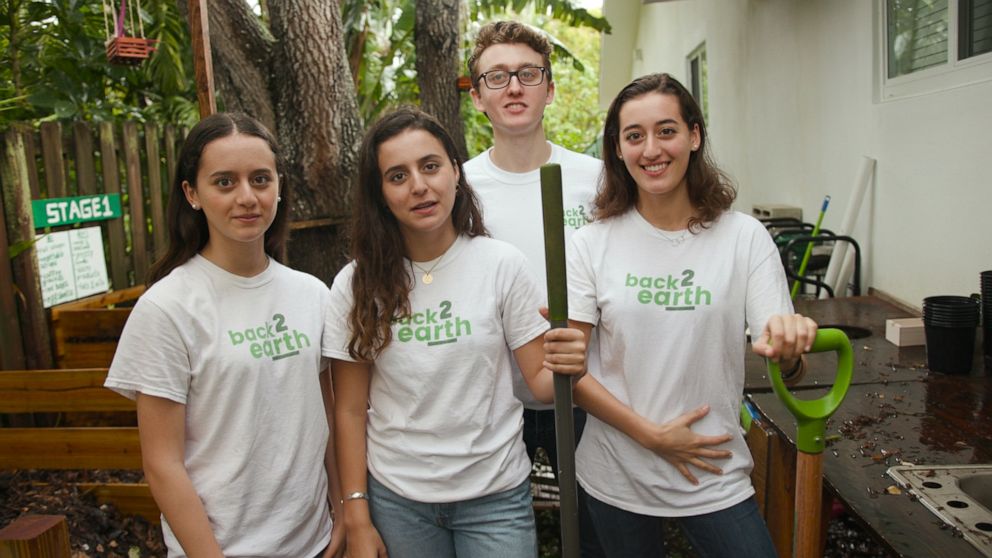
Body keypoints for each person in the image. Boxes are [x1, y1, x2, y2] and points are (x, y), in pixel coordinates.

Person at [565, 73, 818, 558]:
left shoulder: (743, 237)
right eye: (634, 136)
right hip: (616, 471)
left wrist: (789, 352)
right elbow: (570, 371)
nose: (651, 149)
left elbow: (788, 363)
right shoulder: (591, 244)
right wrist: (654, 437)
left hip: (714, 467)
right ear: (617, 148)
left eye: (667, 130)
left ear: (694, 135)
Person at [325, 107, 588, 558]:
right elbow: (348, 411)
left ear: (455, 172)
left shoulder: (500, 264)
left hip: (496, 498)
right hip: (398, 501)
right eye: (397, 175)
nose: (419, 186)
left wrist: (571, 360)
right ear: (380, 193)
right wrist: (356, 512)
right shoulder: (355, 283)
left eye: (430, 166)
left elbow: (542, 386)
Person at [104, 113, 344, 558]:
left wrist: (343, 512)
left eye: (260, 179)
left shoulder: (312, 294)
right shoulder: (167, 307)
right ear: (192, 194)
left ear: (279, 186)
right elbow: (162, 463)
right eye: (224, 182)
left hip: (315, 543)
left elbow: (325, 417)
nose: (247, 197)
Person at [464, 22, 603, 548]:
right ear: (477, 96)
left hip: (588, 394)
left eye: (528, 73)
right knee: (502, 534)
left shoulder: (598, 178)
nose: (515, 88)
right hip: (496, 401)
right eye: (497, 77)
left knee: (593, 534)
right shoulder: (459, 188)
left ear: (550, 88)